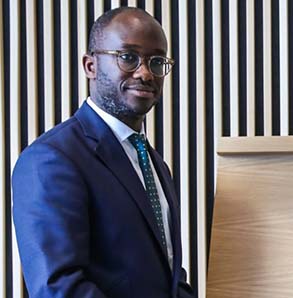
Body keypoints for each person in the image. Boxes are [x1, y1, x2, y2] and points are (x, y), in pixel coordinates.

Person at [12, 7, 194, 298]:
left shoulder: (154, 163)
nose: (145, 72)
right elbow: (59, 289)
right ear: (90, 66)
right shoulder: (52, 159)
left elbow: (169, 276)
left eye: (157, 61)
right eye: (128, 57)